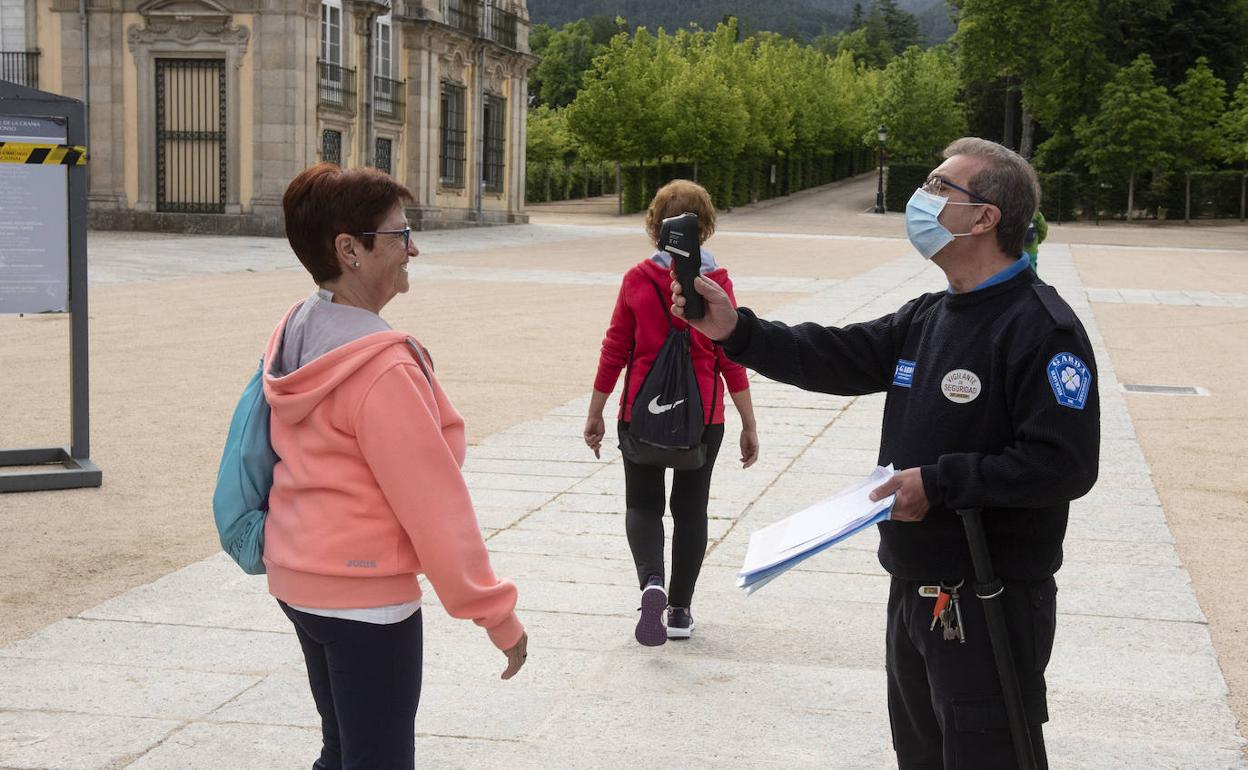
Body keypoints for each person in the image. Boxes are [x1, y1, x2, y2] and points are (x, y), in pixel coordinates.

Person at [671, 138, 1099, 769]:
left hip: (988, 597)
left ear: (985, 218)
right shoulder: (930, 316)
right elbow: (837, 354)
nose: (920, 200)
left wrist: (942, 482)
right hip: (914, 588)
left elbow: (1064, 463)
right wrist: (739, 331)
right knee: (921, 756)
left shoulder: (1041, 328)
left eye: (938, 188)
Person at [263, 163, 527, 769]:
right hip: (364, 594)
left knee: (343, 751)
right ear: (349, 250)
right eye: (398, 235)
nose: (412, 248)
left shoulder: (297, 328)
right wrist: (498, 617)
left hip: (299, 575)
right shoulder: (382, 368)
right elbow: (436, 510)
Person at [584, 179, 759, 647]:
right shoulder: (716, 283)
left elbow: (615, 348)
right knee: (690, 510)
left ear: (656, 228)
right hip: (703, 415)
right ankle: (680, 609)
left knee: (642, 505)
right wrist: (749, 421)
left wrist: (596, 411)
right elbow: (730, 355)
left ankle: (651, 585)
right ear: (704, 228)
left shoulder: (637, 279)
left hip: (640, 413)